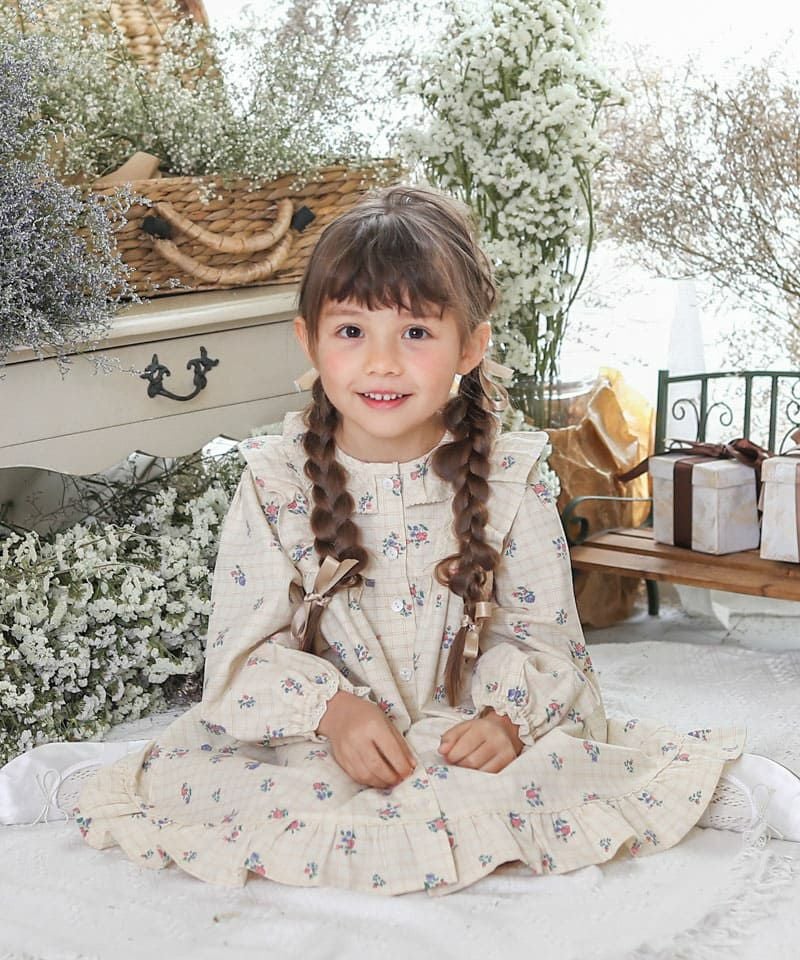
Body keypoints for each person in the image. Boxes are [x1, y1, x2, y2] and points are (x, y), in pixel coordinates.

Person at [75, 184, 800, 895]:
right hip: (321, 742)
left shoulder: (509, 479)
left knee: (542, 779)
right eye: (351, 331)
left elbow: (550, 645)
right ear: (309, 340)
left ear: (471, 346)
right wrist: (332, 711)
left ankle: (715, 792)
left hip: (464, 732)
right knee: (239, 787)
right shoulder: (275, 481)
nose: (382, 362)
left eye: (416, 332)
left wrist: (507, 722)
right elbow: (240, 657)